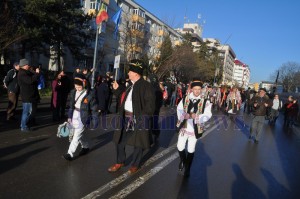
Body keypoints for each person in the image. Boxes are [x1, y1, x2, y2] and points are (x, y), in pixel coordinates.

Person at [107, 59, 155, 174]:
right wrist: (117, 89)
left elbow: (150, 106)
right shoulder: (129, 85)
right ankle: (120, 161)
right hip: (125, 117)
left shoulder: (146, 86)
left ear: (136, 73)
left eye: (130, 71)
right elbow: (123, 99)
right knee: (119, 140)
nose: (128, 73)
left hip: (138, 119)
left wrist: (141, 118)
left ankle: (135, 164)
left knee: (138, 143)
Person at [176, 79, 212, 177]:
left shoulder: (206, 101)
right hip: (185, 126)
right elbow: (179, 109)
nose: (197, 91)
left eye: (199, 89)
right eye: (195, 89)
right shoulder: (185, 98)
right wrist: (184, 115)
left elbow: (208, 114)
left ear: (201, 90)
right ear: (192, 89)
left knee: (191, 149)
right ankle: (183, 161)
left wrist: (197, 117)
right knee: (180, 146)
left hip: (196, 128)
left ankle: (187, 168)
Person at [63, 74, 98, 161]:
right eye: (76, 86)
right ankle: (85, 147)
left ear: (84, 84)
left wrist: (95, 121)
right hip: (74, 113)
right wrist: (69, 116)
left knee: (76, 135)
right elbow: (71, 105)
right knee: (77, 134)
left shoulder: (90, 95)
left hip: (84, 116)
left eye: (79, 86)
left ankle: (70, 154)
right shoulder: (73, 92)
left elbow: (94, 109)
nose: (77, 88)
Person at [17, 58, 40, 132]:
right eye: (27, 64)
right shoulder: (22, 73)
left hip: (29, 95)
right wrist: (36, 73)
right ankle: (23, 126)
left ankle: (23, 125)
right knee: (27, 112)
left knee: (28, 112)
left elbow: (34, 78)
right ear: (24, 65)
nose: (28, 66)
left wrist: (35, 73)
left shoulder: (25, 72)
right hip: (27, 96)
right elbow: (30, 81)